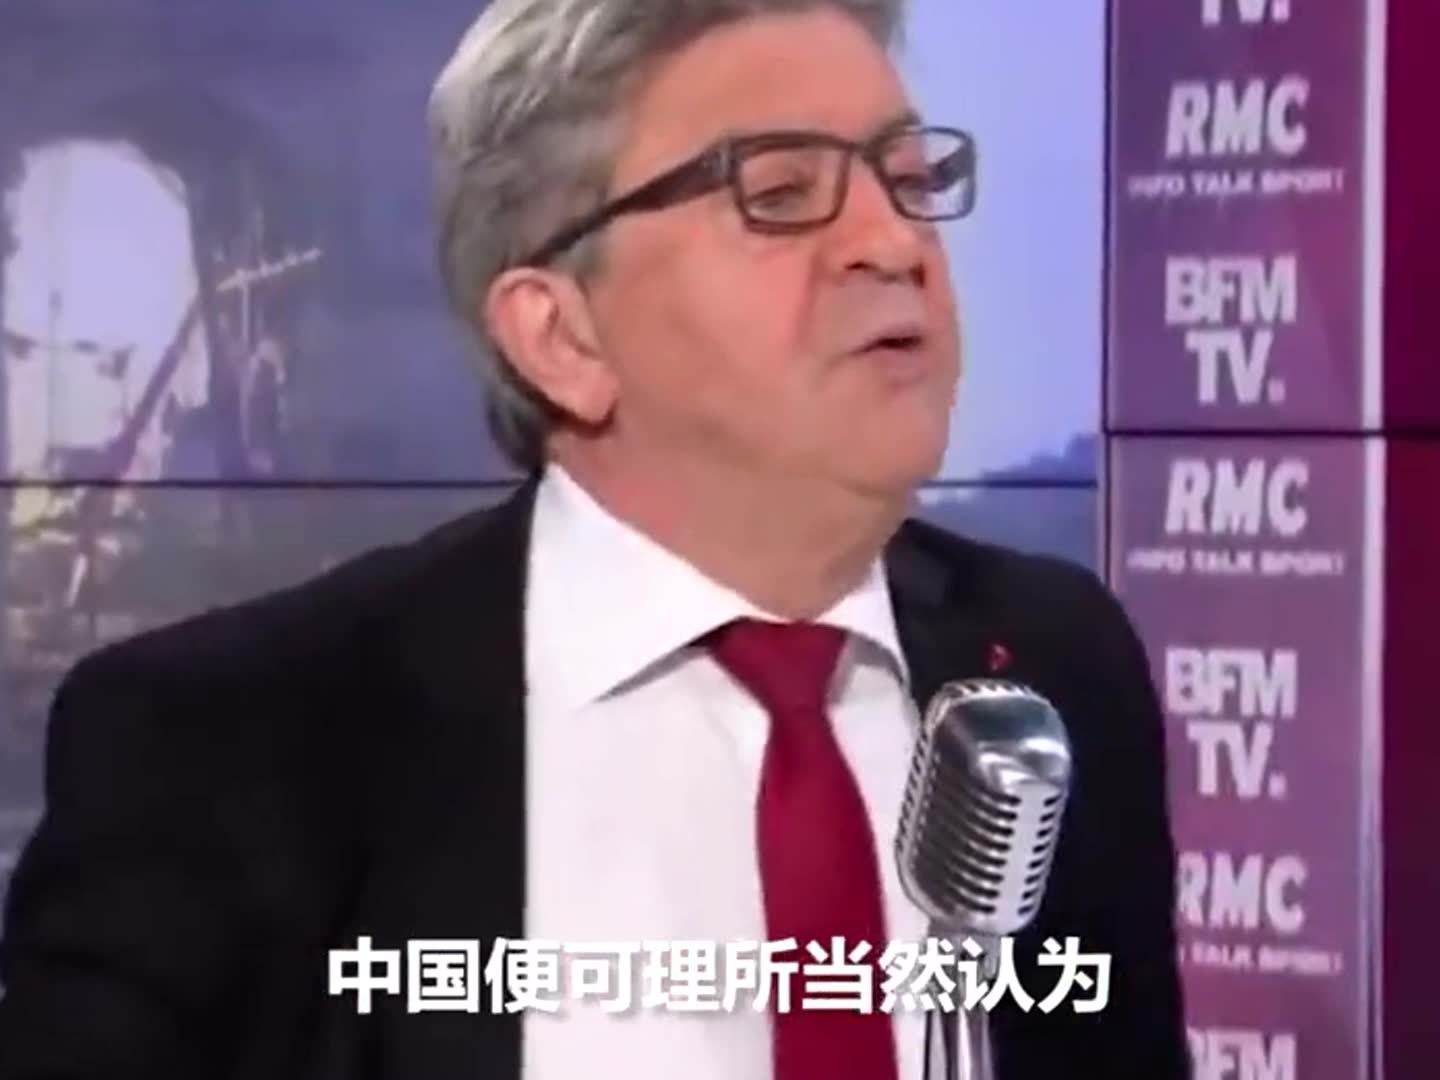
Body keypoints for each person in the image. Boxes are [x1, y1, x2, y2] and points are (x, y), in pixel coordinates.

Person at [0, 0, 1189, 1077]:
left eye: (910, 179)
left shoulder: (1047, 665)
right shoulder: (233, 743)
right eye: (781, 195)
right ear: (562, 337)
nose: (894, 243)